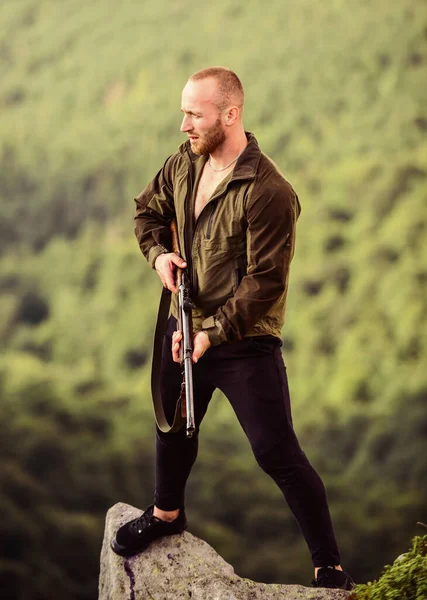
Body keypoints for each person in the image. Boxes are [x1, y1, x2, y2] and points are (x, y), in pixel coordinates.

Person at [111, 67, 354, 590]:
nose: (183, 125)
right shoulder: (184, 163)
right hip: (183, 324)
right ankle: (167, 514)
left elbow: (265, 281)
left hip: (245, 343)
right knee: (172, 425)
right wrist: (158, 257)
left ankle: (328, 563)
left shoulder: (269, 191)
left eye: (194, 114)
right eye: (184, 112)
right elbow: (146, 213)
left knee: (276, 452)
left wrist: (212, 333)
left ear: (231, 114)